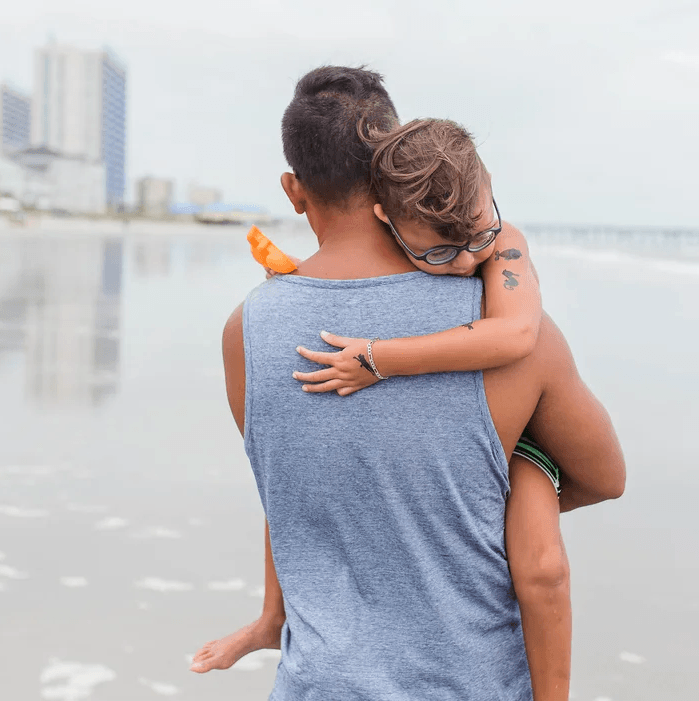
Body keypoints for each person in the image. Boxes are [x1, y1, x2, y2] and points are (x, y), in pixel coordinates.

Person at [195, 66, 625, 701]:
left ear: (293, 189)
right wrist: (504, 488)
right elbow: (605, 476)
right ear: (392, 175)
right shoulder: (503, 320)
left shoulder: (247, 331)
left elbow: (287, 496)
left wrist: (271, 619)